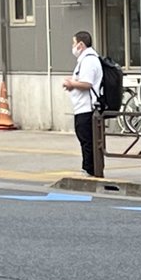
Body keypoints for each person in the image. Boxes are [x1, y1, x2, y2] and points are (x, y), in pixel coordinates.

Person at [62, 31, 103, 177]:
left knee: (87, 140)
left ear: (80, 44)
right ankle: (90, 168)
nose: (73, 47)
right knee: (86, 139)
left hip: (87, 107)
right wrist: (72, 82)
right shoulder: (86, 60)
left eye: (74, 43)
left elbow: (87, 83)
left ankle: (90, 169)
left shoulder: (89, 60)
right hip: (82, 107)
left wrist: (71, 83)